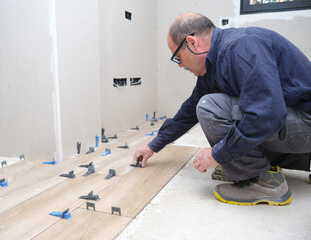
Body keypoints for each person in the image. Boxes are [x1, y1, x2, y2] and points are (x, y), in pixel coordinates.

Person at [133, 12, 311, 206]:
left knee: (211, 107)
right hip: (297, 125)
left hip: (305, 124)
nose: (180, 65)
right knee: (208, 106)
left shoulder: (241, 48)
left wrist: (218, 154)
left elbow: (267, 114)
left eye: (178, 57)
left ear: (192, 43)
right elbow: (187, 113)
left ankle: (265, 184)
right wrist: (152, 146)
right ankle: (256, 165)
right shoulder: (216, 65)